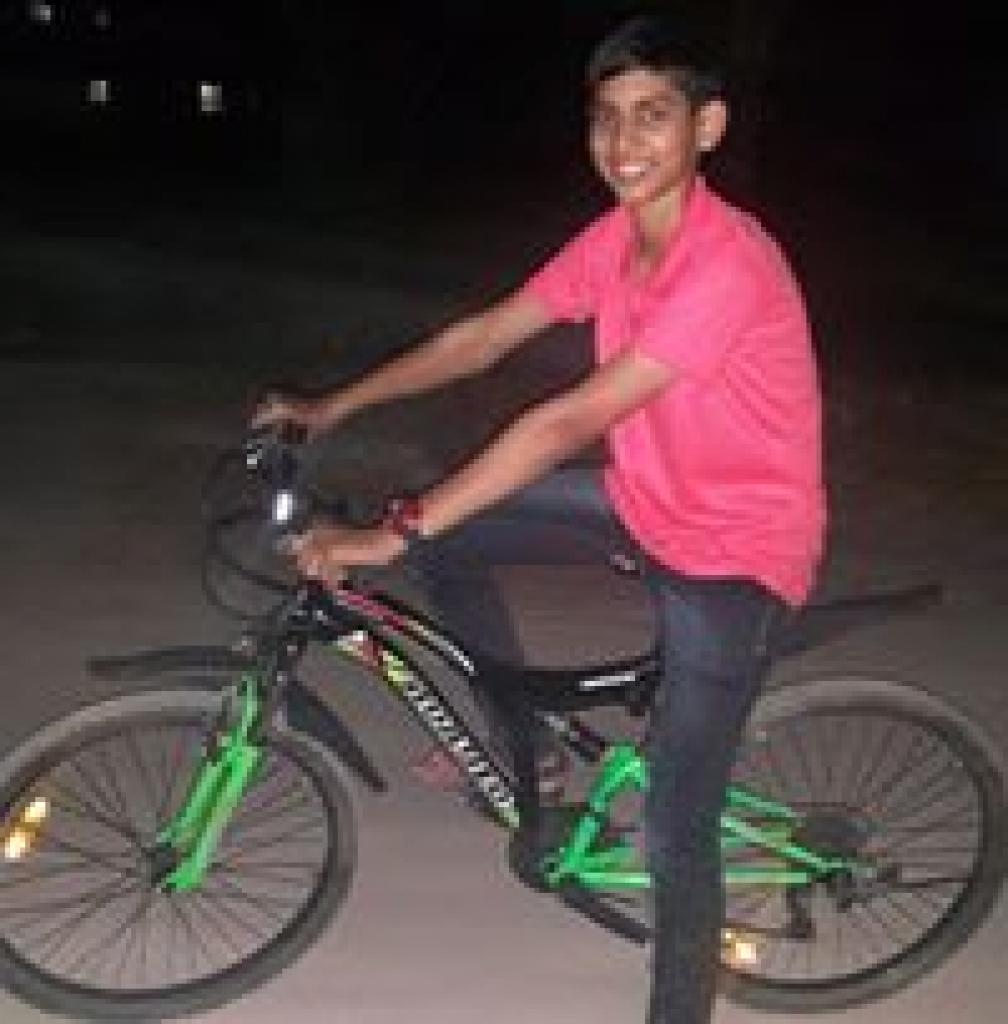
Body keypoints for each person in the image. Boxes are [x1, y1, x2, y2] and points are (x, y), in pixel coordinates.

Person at [255, 15, 825, 1024]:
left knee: (676, 827)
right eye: (606, 117)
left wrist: (391, 534)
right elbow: (482, 338)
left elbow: (565, 422)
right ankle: (531, 749)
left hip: (738, 551)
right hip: (647, 499)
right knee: (449, 539)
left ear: (708, 127)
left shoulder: (728, 265)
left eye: (653, 115)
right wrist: (331, 406)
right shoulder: (617, 238)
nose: (623, 141)